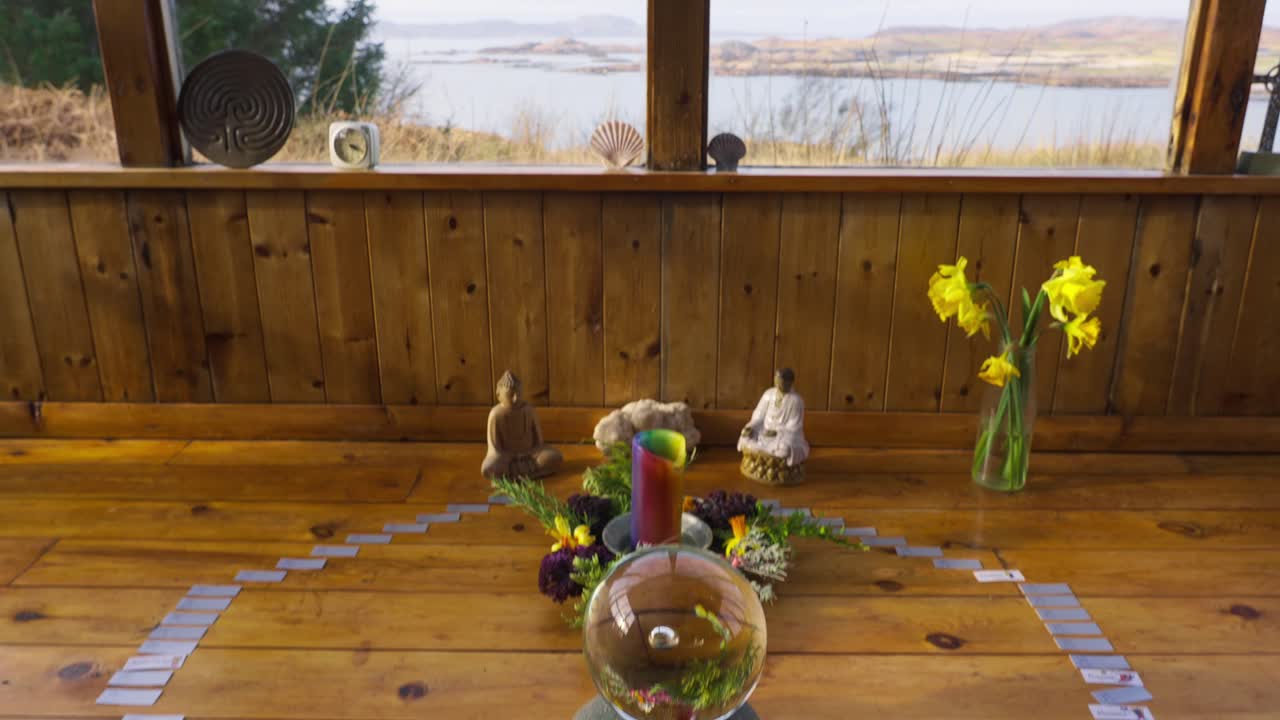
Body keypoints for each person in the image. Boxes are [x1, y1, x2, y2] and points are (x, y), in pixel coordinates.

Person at [482, 370, 563, 479]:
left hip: (530, 455)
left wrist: (528, 453)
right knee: (489, 468)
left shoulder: (529, 411)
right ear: (499, 395)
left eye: (518, 394)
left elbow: (538, 443)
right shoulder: (496, 414)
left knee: (554, 457)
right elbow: (494, 449)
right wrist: (509, 457)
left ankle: (515, 474)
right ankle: (527, 473)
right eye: (510, 395)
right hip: (506, 459)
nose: (515, 398)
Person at [737, 368, 809, 467]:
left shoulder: (796, 401)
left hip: (782, 436)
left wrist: (777, 433)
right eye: (776, 380)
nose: (778, 384)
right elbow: (759, 416)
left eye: (782, 381)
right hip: (763, 431)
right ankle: (765, 455)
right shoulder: (768, 394)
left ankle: (760, 455)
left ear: (790, 382)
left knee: (785, 449)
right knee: (745, 436)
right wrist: (750, 427)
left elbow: (794, 427)